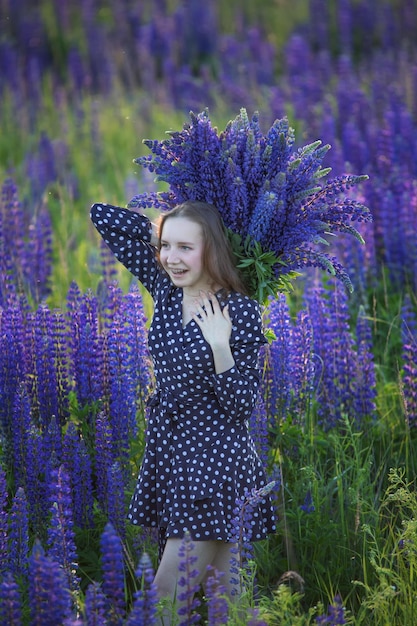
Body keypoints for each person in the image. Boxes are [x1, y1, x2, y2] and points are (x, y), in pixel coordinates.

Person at [90, 199, 276, 621]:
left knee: (163, 602)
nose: (172, 259)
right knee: (232, 608)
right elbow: (103, 217)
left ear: (213, 249)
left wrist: (220, 345)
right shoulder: (166, 288)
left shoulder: (240, 310)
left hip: (216, 463)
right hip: (173, 457)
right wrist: (165, 227)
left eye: (186, 248)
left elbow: (241, 406)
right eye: (165, 247)